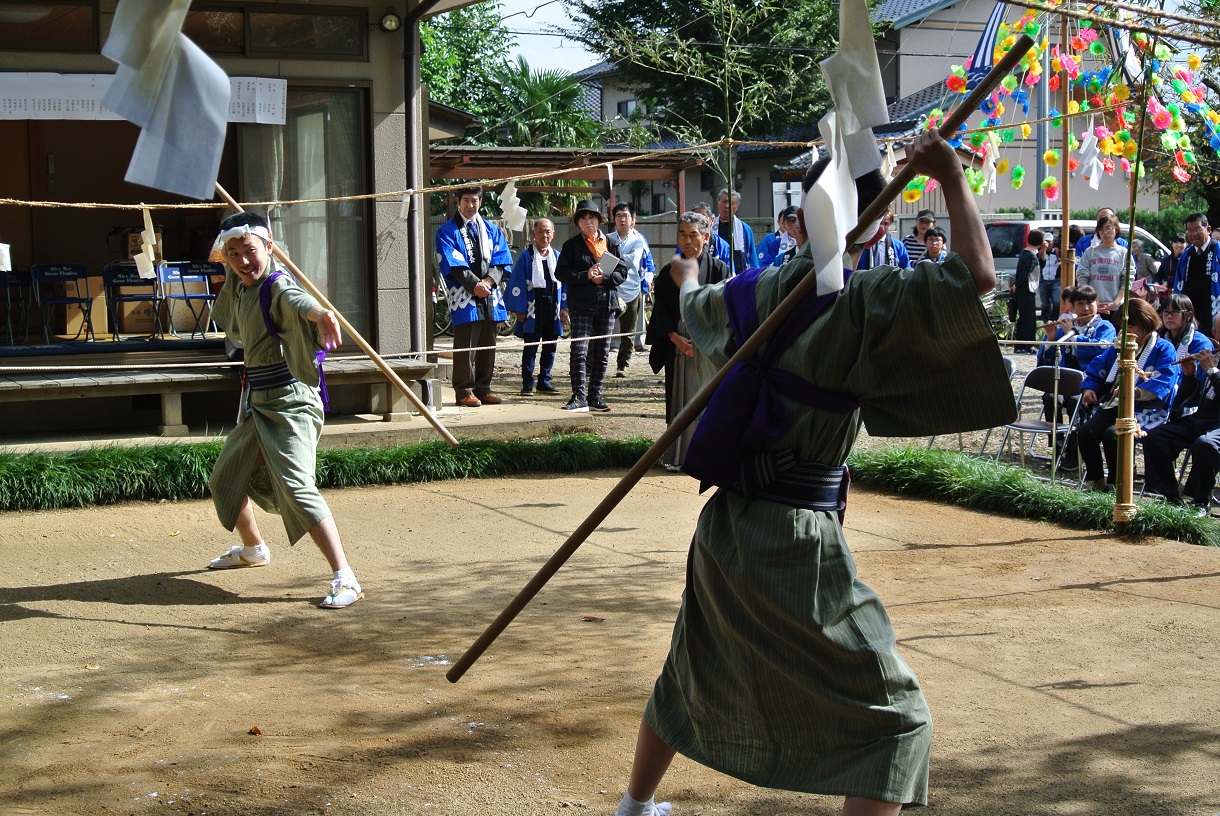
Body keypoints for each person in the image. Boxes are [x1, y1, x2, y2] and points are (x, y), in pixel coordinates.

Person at [609, 128, 1015, 816]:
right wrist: (951, 176)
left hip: (726, 527)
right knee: (897, 721)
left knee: (691, 668)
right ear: (880, 220)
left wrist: (687, 274)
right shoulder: (864, 302)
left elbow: (697, 305)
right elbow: (975, 279)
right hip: (797, 538)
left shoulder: (757, 287)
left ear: (804, 214)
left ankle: (634, 806)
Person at [206, 212, 363, 609]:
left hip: (293, 403)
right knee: (225, 479)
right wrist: (227, 253)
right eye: (233, 253)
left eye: (250, 251)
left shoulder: (276, 283)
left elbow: (295, 299)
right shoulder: (241, 285)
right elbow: (230, 300)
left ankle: (345, 576)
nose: (243, 260)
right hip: (259, 403)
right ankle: (253, 549)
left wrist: (319, 313)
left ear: (270, 247)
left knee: (297, 487)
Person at [646, 212, 730, 469]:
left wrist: (704, 339)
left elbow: (726, 309)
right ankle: (678, 457)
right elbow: (661, 311)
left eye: (693, 234)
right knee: (679, 399)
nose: (687, 240)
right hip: (678, 343)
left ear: (706, 236)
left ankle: (708, 457)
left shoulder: (719, 269)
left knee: (710, 399)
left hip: (709, 344)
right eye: (682, 234)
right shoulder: (668, 271)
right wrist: (675, 338)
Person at [1077, 298, 1178, 492]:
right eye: (1124, 326)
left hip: (1144, 408)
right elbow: (1098, 367)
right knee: (1086, 433)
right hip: (1115, 404)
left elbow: (1165, 379)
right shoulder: (1120, 345)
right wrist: (1089, 387)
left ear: (1145, 323)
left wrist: (1135, 392)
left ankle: (1118, 486)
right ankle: (1096, 481)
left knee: (1113, 435)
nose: (1126, 330)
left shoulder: (1164, 348)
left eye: (1131, 326)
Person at [435, 185, 513, 408]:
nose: (470, 205)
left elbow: (501, 258)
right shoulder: (447, 231)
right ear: (458, 201)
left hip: (489, 292)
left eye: (474, 200)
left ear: (481, 202)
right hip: (464, 292)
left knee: (489, 341)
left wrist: (488, 282)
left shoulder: (491, 229)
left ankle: (484, 388)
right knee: (466, 342)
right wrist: (474, 284)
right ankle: (464, 391)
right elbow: (452, 262)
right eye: (466, 200)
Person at [556, 199, 626, 413]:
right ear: (578, 223)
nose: (588, 222)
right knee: (579, 350)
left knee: (602, 351)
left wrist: (604, 279)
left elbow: (622, 272)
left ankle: (595, 395)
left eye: (592, 217)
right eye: (583, 218)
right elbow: (561, 273)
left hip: (607, 303)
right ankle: (579, 396)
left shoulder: (612, 243)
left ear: (599, 220)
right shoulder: (571, 245)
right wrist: (585, 275)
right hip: (582, 304)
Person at [1142, 346, 1220, 513]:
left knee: (1206, 444)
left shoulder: (1211, 364)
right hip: (1202, 419)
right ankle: (1168, 496)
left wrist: (1212, 371)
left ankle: (1201, 502)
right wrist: (1190, 375)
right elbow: (1188, 400)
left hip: (1217, 426)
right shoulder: (1214, 357)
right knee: (1155, 437)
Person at [505, 218, 567, 396]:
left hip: (553, 307)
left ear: (553, 234)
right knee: (530, 347)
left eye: (548, 232)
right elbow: (517, 282)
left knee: (550, 346)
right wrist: (519, 309)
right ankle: (527, 383)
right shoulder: (527, 256)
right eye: (540, 232)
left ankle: (544, 380)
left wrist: (564, 307)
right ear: (534, 234)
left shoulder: (557, 256)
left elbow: (565, 283)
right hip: (533, 307)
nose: (544, 235)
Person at [607, 202, 656, 378]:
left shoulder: (638, 240)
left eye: (626, 216)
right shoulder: (607, 238)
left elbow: (631, 262)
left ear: (633, 220)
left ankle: (623, 365)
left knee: (628, 332)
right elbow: (603, 263)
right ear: (614, 219)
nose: (622, 219)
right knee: (602, 329)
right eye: (619, 215)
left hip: (631, 290)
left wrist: (612, 257)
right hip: (610, 288)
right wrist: (613, 259)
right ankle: (593, 364)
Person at [1172, 213, 1220, 339]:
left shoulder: (1217, 249)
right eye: (1190, 230)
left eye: (1198, 229)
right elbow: (1179, 283)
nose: (1193, 234)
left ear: (1208, 229)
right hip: (1191, 312)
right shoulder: (1186, 255)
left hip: (1214, 310)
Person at [1076, 213, 1128, 321]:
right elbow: (1082, 277)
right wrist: (1093, 301)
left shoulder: (1124, 253)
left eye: (1108, 228)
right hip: (1092, 309)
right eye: (1101, 229)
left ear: (1116, 229)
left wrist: (1115, 303)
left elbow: (1127, 281)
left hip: (1117, 310)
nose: (1105, 232)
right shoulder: (1090, 252)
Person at [1011, 229, 1043, 353]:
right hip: (1027, 289)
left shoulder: (1024, 252)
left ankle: (1021, 345)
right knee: (1028, 319)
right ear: (1040, 242)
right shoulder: (1031, 256)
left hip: (1022, 290)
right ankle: (1026, 345)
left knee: (1023, 318)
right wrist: (1017, 284)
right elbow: (1025, 274)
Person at [712, 189, 755, 275]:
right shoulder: (710, 226)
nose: (727, 206)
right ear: (718, 203)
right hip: (715, 273)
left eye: (731, 203)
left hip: (739, 274)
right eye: (724, 201)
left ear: (737, 206)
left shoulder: (744, 228)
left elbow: (751, 255)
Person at [692, 203, 732, 267]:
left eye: (703, 217)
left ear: (712, 220)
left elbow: (729, 270)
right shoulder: (686, 242)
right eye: (695, 217)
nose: (699, 221)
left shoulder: (722, 245)